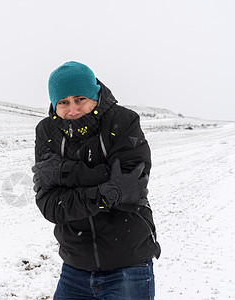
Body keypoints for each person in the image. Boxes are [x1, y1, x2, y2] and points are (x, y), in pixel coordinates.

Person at [32, 61, 161, 299]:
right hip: (74, 267)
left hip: (128, 263)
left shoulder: (123, 121)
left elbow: (131, 187)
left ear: (95, 95)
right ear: (54, 104)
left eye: (80, 99)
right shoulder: (46, 132)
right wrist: (105, 189)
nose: (72, 110)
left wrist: (61, 173)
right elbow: (50, 205)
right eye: (63, 102)